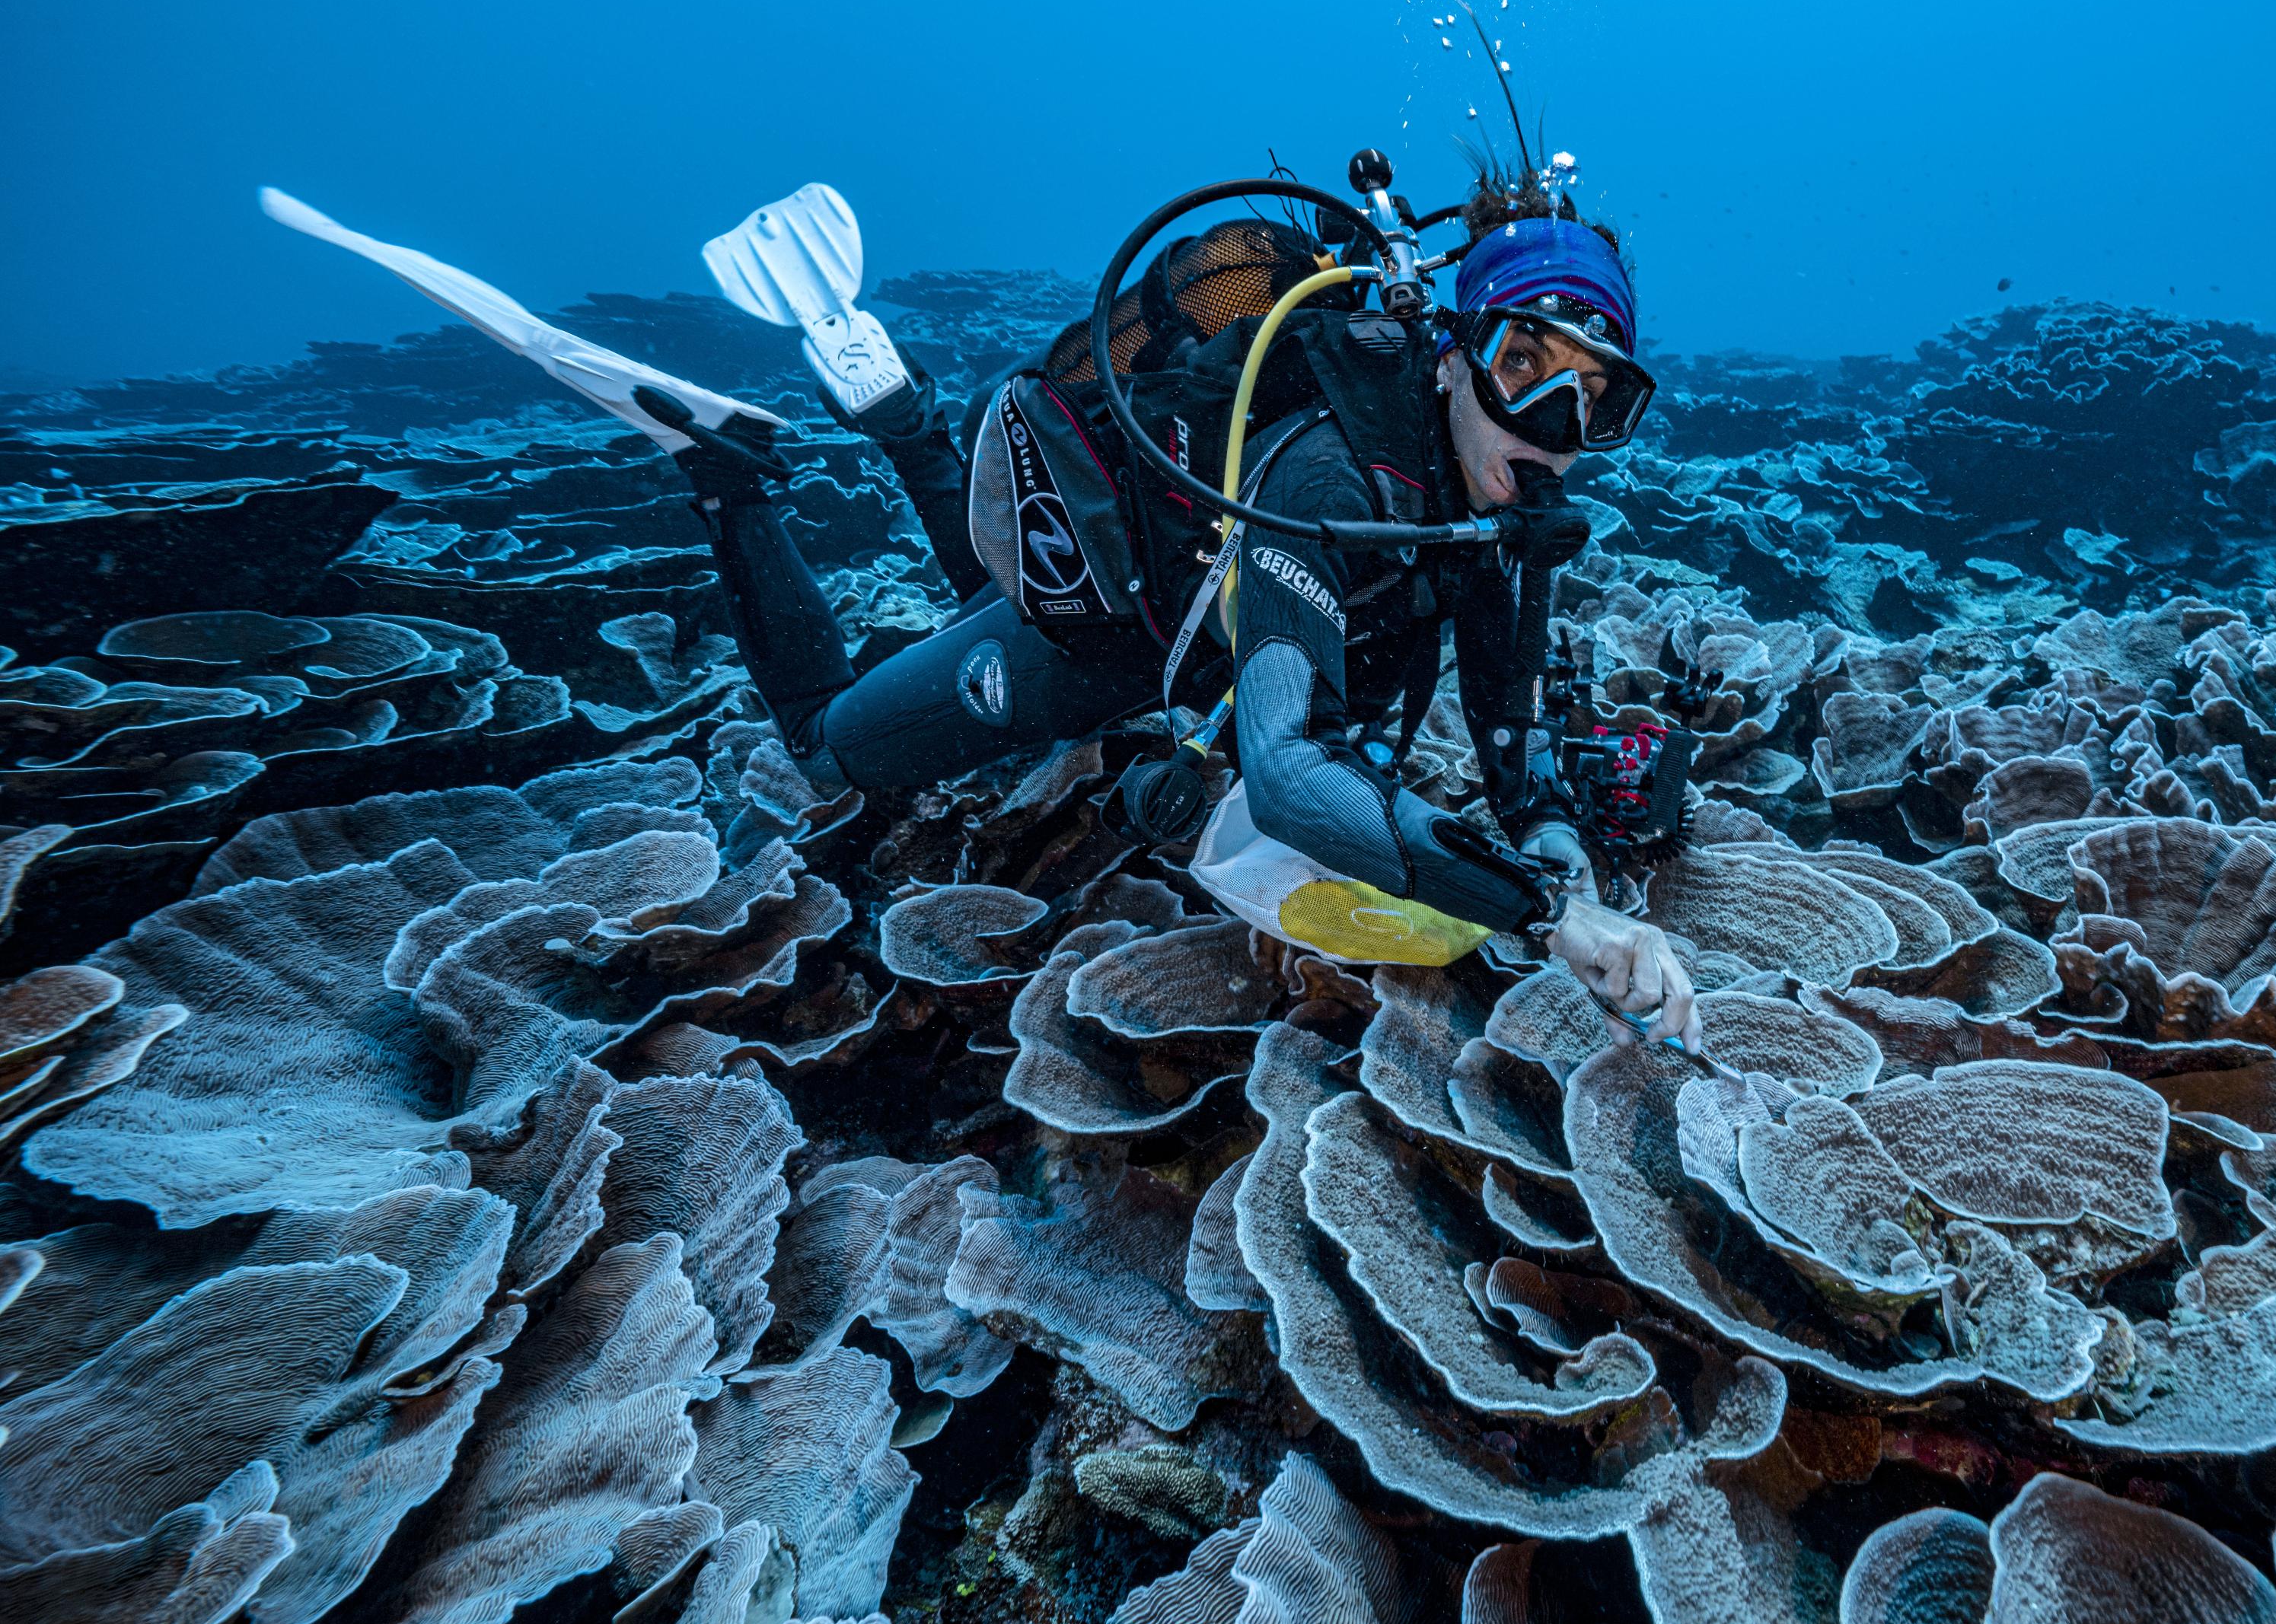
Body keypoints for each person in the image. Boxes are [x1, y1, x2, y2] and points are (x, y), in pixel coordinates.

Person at [643, 169, 1701, 1051]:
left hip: (1199, 650)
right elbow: (1287, 775)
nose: (1553, 426)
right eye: (1525, 366)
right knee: (830, 749)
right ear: (1454, 354)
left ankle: (908, 424)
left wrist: (1570, 872)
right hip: (1107, 637)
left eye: (1594, 398)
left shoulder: (1496, 518)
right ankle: (723, 469)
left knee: (980, 590)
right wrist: (1552, 915)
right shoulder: (1331, 480)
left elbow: (1519, 770)